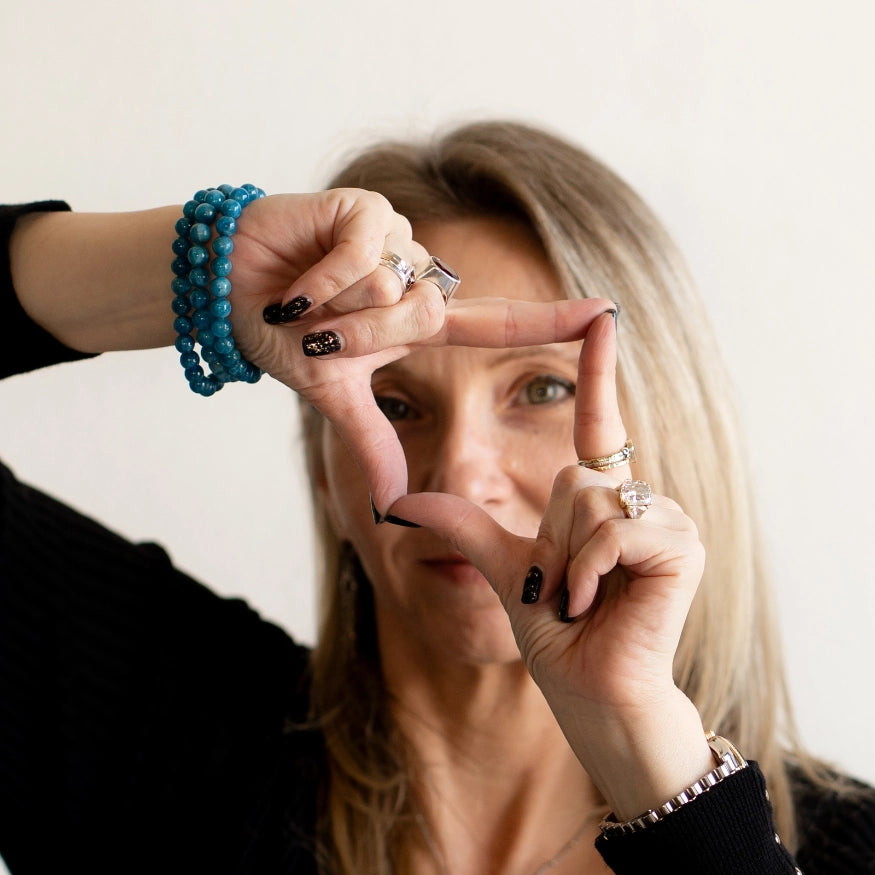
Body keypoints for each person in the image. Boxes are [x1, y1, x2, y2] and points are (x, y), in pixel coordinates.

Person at [1, 120, 873, 875]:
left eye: (539, 391)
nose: (457, 475)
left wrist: (659, 771)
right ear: (323, 470)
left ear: (674, 439)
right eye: (392, 403)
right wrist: (198, 269)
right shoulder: (158, 738)